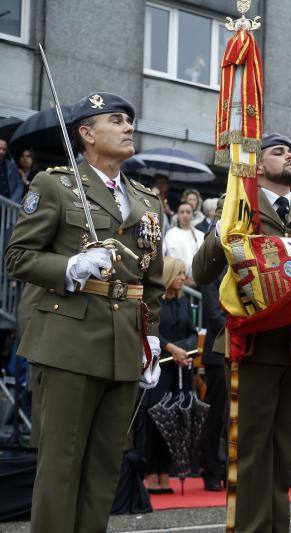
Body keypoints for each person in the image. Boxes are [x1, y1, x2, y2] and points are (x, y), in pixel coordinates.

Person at [5, 92, 164, 533]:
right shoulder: (55, 185)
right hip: (68, 341)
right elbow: (17, 257)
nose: (129, 126)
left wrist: (150, 337)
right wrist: (70, 267)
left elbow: (149, 281)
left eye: (130, 120)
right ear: (87, 133)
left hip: (123, 346)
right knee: (61, 464)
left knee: (104, 466)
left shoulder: (146, 201)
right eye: (116, 120)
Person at [192, 132, 291, 532]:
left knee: (284, 452)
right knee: (251, 450)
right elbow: (201, 271)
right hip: (252, 344)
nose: (289, 155)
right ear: (257, 165)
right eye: (277, 151)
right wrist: (228, 226)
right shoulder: (238, 206)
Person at [139, 256, 195, 494]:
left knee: (173, 422)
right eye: (180, 273)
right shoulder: (155, 303)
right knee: (155, 422)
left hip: (179, 369)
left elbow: (192, 332)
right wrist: (173, 349)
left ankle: (165, 472)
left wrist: (182, 351)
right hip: (159, 369)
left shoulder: (183, 303)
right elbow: (150, 331)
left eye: (184, 273)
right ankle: (151, 472)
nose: (184, 277)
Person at [198, 272, 228, 492]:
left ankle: (230, 468)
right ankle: (211, 470)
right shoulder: (214, 270)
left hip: (244, 350)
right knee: (216, 414)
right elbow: (213, 313)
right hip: (219, 352)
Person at [164, 201, 205, 284]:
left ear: (192, 215)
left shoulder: (201, 235)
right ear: (177, 215)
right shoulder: (171, 234)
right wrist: (183, 276)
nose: (185, 215)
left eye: (188, 212)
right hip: (180, 280)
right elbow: (172, 257)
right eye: (182, 212)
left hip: (200, 279)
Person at [0, 138, 24, 203]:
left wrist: (12, 201)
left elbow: (19, 185)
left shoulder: (12, 165)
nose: (1, 152)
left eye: (4, 149)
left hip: (10, 208)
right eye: (0, 148)